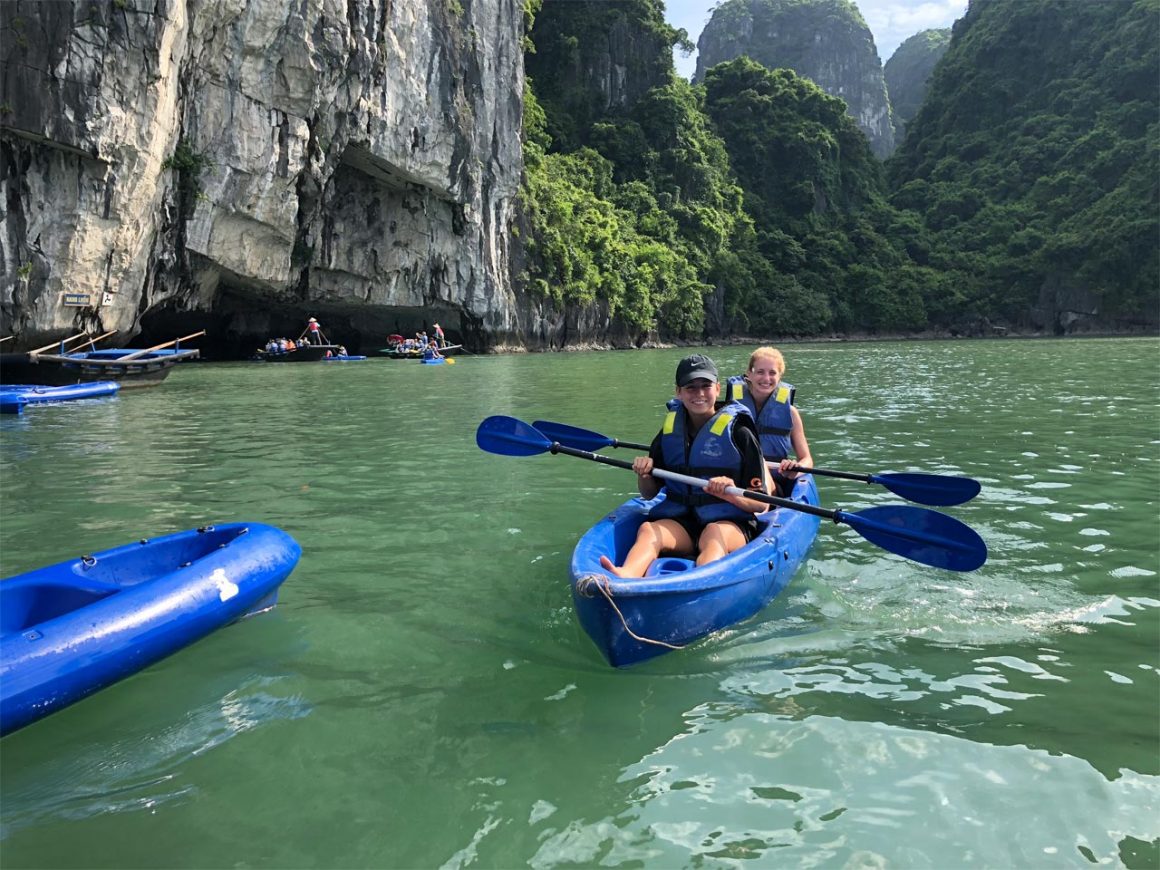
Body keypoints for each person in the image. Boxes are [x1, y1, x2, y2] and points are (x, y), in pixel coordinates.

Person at [598, 354, 772, 579]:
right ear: (678, 392)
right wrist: (644, 474)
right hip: (683, 523)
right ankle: (624, 576)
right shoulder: (669, 433)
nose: (699, 394)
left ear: (718, 388)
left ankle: (701, 582)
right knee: (649, 530)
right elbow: (649, 493)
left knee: (713, 533)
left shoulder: (740, 433)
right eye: (691, 387)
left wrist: (731, 494)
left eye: (705, 386)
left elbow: (760, 503)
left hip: (730, 524)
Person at [722, 347, 813, 496]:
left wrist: (796, 469)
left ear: (779, 377)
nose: (766, 378)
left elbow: (807, 459)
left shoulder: (791, 413)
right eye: (760, 372)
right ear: (749, 374)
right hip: (735, 480)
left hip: (772, 485)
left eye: (772, 373)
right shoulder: (726, 412)